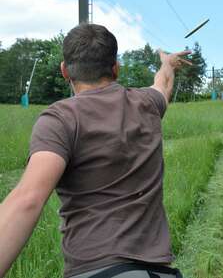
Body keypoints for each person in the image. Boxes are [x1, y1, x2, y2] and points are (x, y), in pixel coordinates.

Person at [0, 24, 192, 278]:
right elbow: (163, 86)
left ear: (65, 71)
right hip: (158, 273)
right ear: (115, 68)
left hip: (95, 271)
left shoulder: (59, 119)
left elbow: (28, 199)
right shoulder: (147, 103)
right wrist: (167, 63)